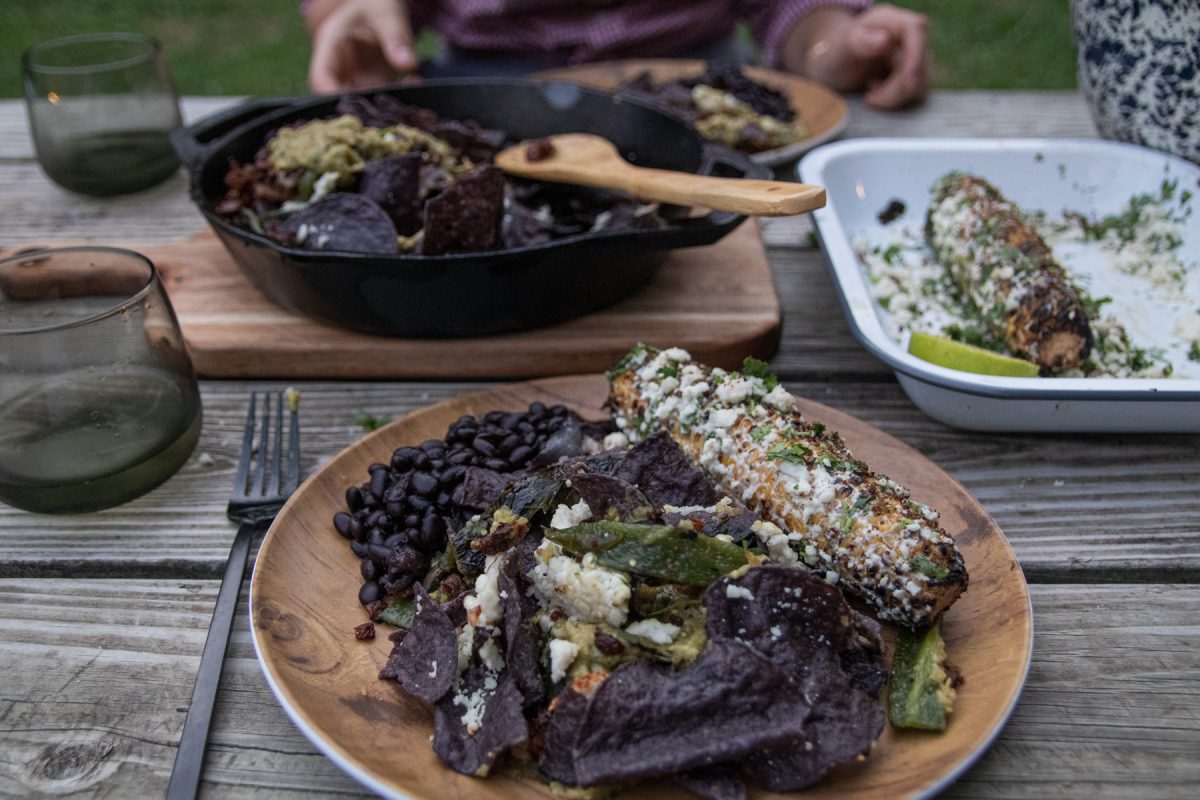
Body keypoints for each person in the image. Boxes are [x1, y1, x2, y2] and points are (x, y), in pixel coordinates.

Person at [303, 0, 930, 109]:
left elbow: (796, 12)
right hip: (480, 86)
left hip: (705, 86)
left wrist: (831, 44)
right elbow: (350, 15)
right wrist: (358, 33)